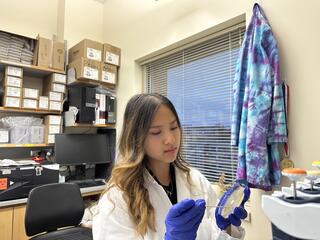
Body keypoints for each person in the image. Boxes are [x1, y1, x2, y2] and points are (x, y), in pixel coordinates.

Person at [92, 93, 248, 240]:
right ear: (136, 138)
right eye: (156, 132)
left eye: (174, 128)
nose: (170, 139)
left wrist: (227, 227)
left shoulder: (195, 179)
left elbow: (213, 232)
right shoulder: (117, 199)